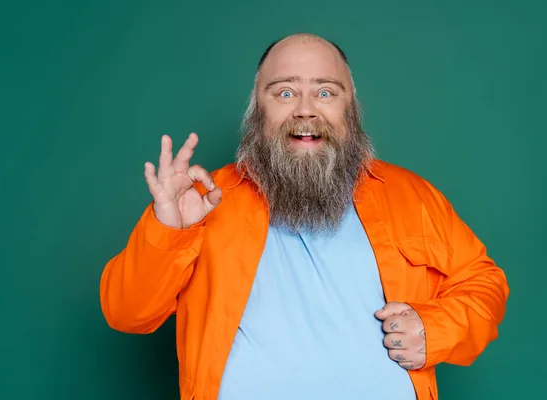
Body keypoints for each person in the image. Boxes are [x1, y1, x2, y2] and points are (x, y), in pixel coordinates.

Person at [100, 33, 509, 400]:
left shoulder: (412, 196)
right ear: (256, 111)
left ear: (352, 108)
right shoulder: (201, 200)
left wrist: (435, 330)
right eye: (284, 93)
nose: (305, 111)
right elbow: (127, 313)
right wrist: (169, 228)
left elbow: (484, 282)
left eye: (326, 93)